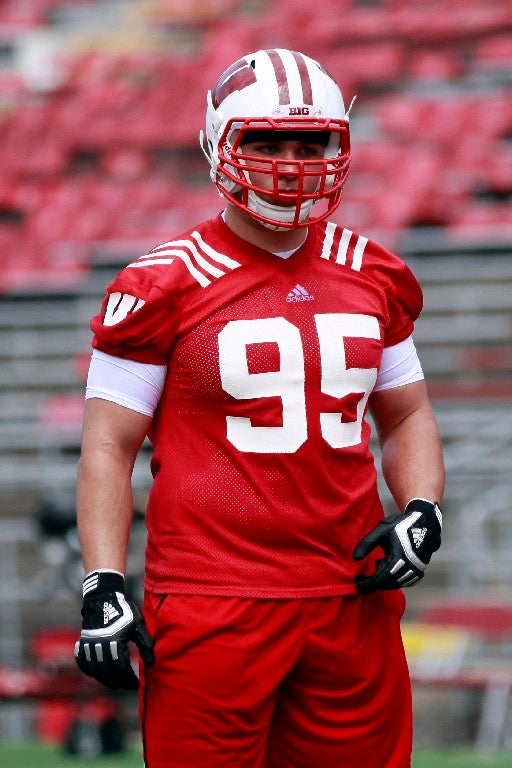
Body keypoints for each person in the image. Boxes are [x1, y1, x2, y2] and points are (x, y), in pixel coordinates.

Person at [74, 48, 445, 768]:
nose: (290, 161)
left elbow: (407, 415)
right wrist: (103, 581)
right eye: (266, 141)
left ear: (340, 144)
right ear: (220, 142)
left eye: (310, 143)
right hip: (214, 600)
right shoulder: (163, 284)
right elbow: (109, 446)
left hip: (350, 592)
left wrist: (422, 508)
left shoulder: (374, 272)